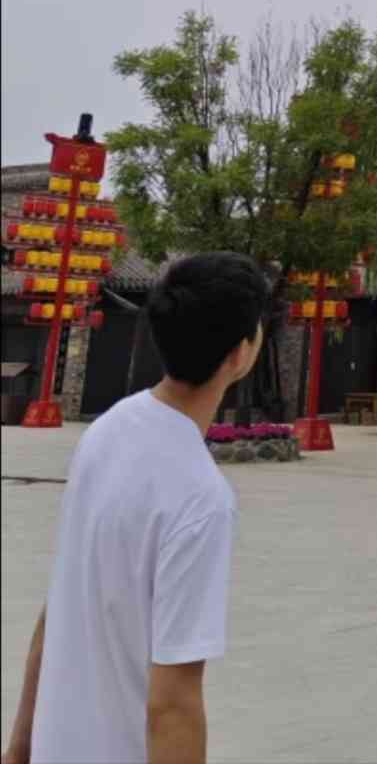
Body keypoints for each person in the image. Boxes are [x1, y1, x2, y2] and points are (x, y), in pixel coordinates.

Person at [2, 253, 270, 764]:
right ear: (240, 353)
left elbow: (58, 606)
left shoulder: (107, 430)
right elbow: (173, 704)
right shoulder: (200, 497)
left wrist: (19, 746)